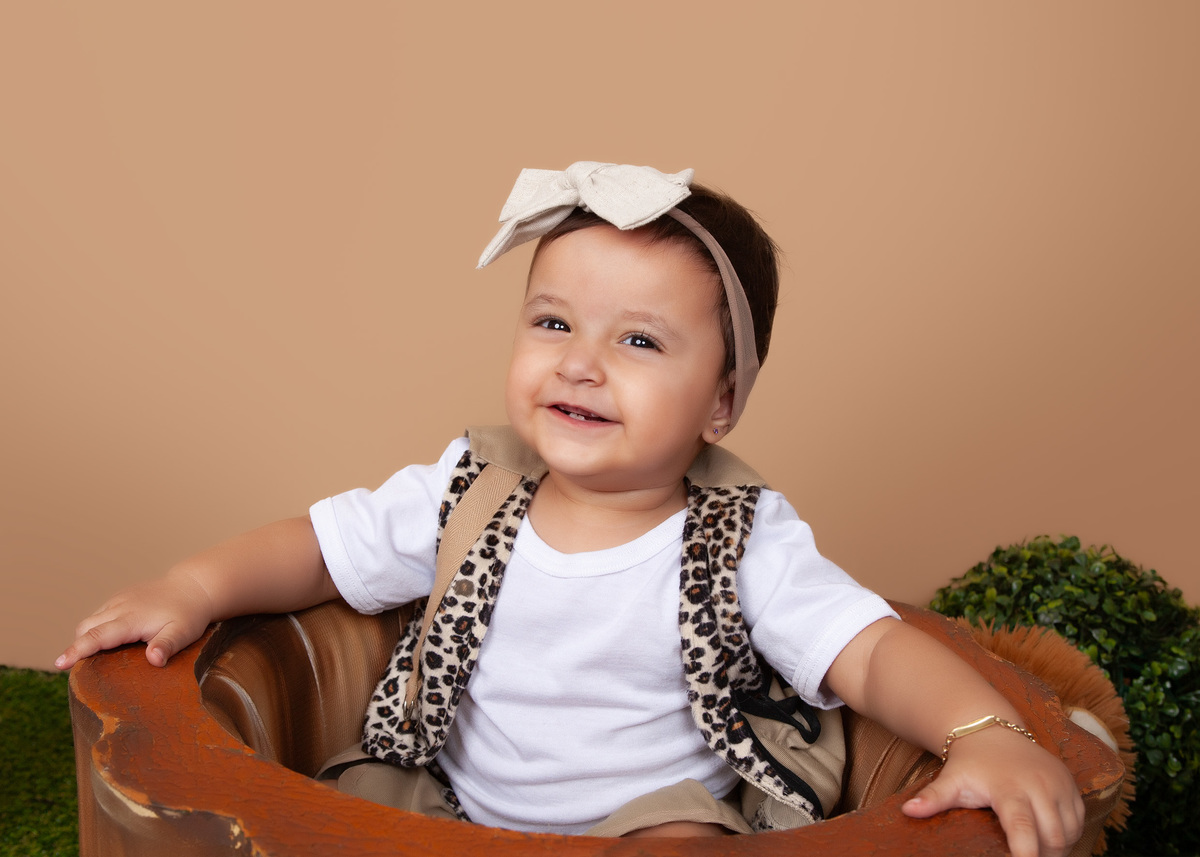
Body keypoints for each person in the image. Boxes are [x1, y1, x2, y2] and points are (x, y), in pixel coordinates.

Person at [58, 162, 1083, 856]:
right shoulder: (468, 486)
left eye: (639, 340)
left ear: (721, 401)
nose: (580, 363)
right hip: (450, 795)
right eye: (553, 322)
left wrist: (981, 730)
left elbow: (870, 650)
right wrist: (192, 587)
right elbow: (321, 550)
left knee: (683, 844)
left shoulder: (740, 537)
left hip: (648, 813)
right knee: (341, 818)